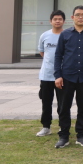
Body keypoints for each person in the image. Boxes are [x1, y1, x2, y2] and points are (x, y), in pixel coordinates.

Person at [53, 5, 83, 148]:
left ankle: (81, 135)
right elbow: (58, 56)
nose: (80, 17)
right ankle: (64, 136)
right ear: (72, 17)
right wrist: (58, 75)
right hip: (67, 76)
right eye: (78, 15)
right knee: (64, 107)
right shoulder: (65, 34)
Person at [36, 9, 65, 137]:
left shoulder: (67, 35)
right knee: (46, 103)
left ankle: (63, 126)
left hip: (62, 76)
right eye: (55, 19)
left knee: (62, 104)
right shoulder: (44, 35)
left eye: (60, 19)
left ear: (64, 21)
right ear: (50, 21)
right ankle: (46, 127)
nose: (57, 21)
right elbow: (42, 52)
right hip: (46, 75)